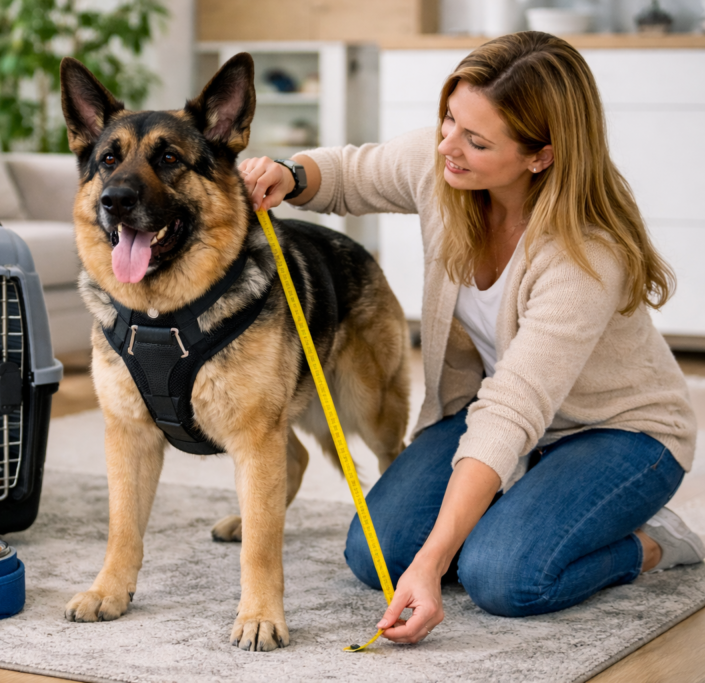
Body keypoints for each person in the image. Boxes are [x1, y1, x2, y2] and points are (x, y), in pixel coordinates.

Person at [239, 31, 702, 645]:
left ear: (542, 155)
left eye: (476, 141)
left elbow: (514, 407)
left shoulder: (585, 254)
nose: (446, 146)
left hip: (618, 432)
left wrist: (432, 566)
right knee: (371, 555)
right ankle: (526, 502)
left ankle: (654, 543)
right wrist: (290, 174)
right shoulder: (445, 169)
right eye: (449, 119)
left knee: (503, 578)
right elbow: (352, 172)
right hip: (489, 414)